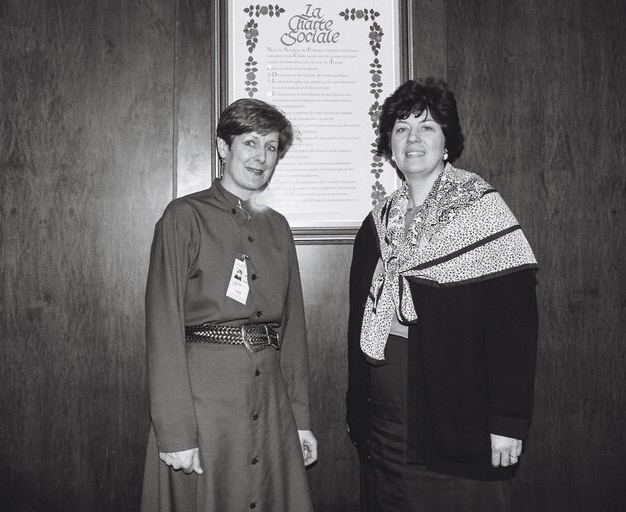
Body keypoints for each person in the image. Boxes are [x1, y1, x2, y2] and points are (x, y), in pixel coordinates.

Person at [346, 78, 539, 511]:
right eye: (401, 128)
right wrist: (358, 415)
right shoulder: (375, 225)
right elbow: (354, 328)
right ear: (389, 147)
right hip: (386, 417)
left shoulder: (482, 212)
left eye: (427, 127)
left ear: (447, 141)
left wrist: (508, 420)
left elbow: (515, 326)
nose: (413, 138)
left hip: (456, 413)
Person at [140, 98, 317, 512]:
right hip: (205, 407)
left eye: (271, 147)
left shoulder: (279, 228)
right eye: (250, 142)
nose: (261, 156)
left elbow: (293, 332)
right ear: (224, 147)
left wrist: (301, 419)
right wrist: (176, 433)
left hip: (271, 404)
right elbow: (162, 327)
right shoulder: (183, 217)